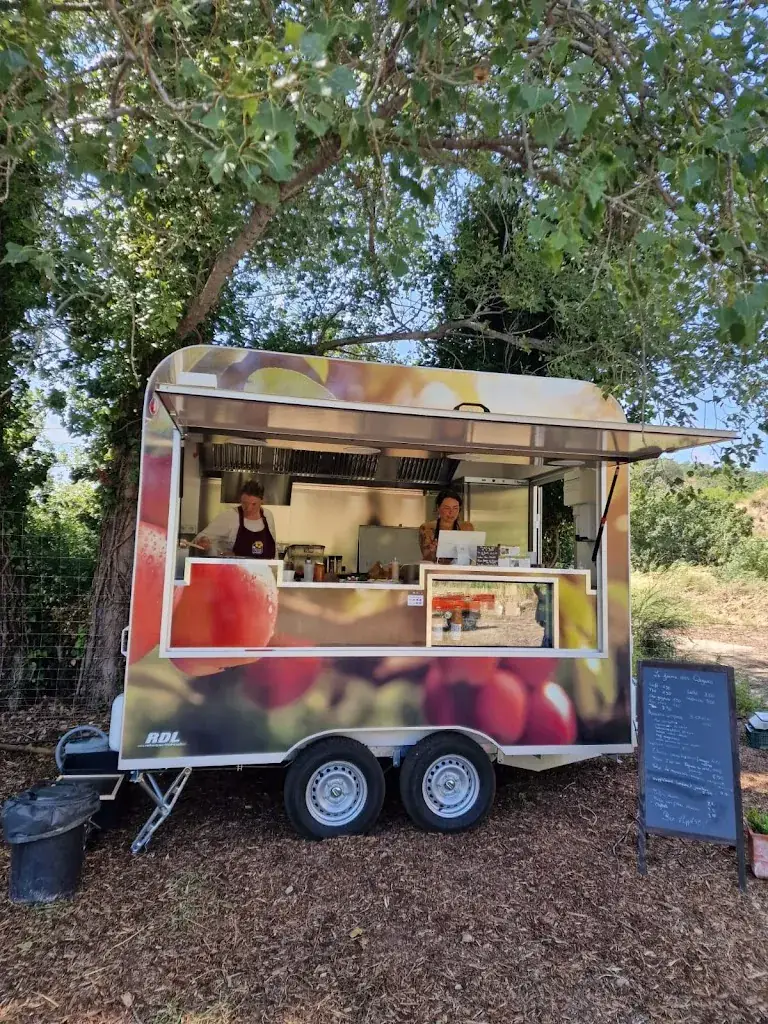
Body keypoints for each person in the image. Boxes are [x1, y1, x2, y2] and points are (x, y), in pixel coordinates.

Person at [192, 480, 277, 559]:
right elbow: (201, 538)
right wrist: (204, 541)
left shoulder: (268, 515)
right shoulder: (230, 516)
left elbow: (274, 549)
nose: (248, 508)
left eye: (254, 504)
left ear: (262, 501)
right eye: (244, 503)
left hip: (266, 569)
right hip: (237, 569)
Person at [418, 489, 475, 563]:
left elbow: (471, 557)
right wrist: (432, 551)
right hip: (435, 569)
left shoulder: (467, 528)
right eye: (447, 508)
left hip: (460, 569)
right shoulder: (427, 528)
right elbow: (426, 558)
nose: (451, 512)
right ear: (438, 508)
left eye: (455, 508)